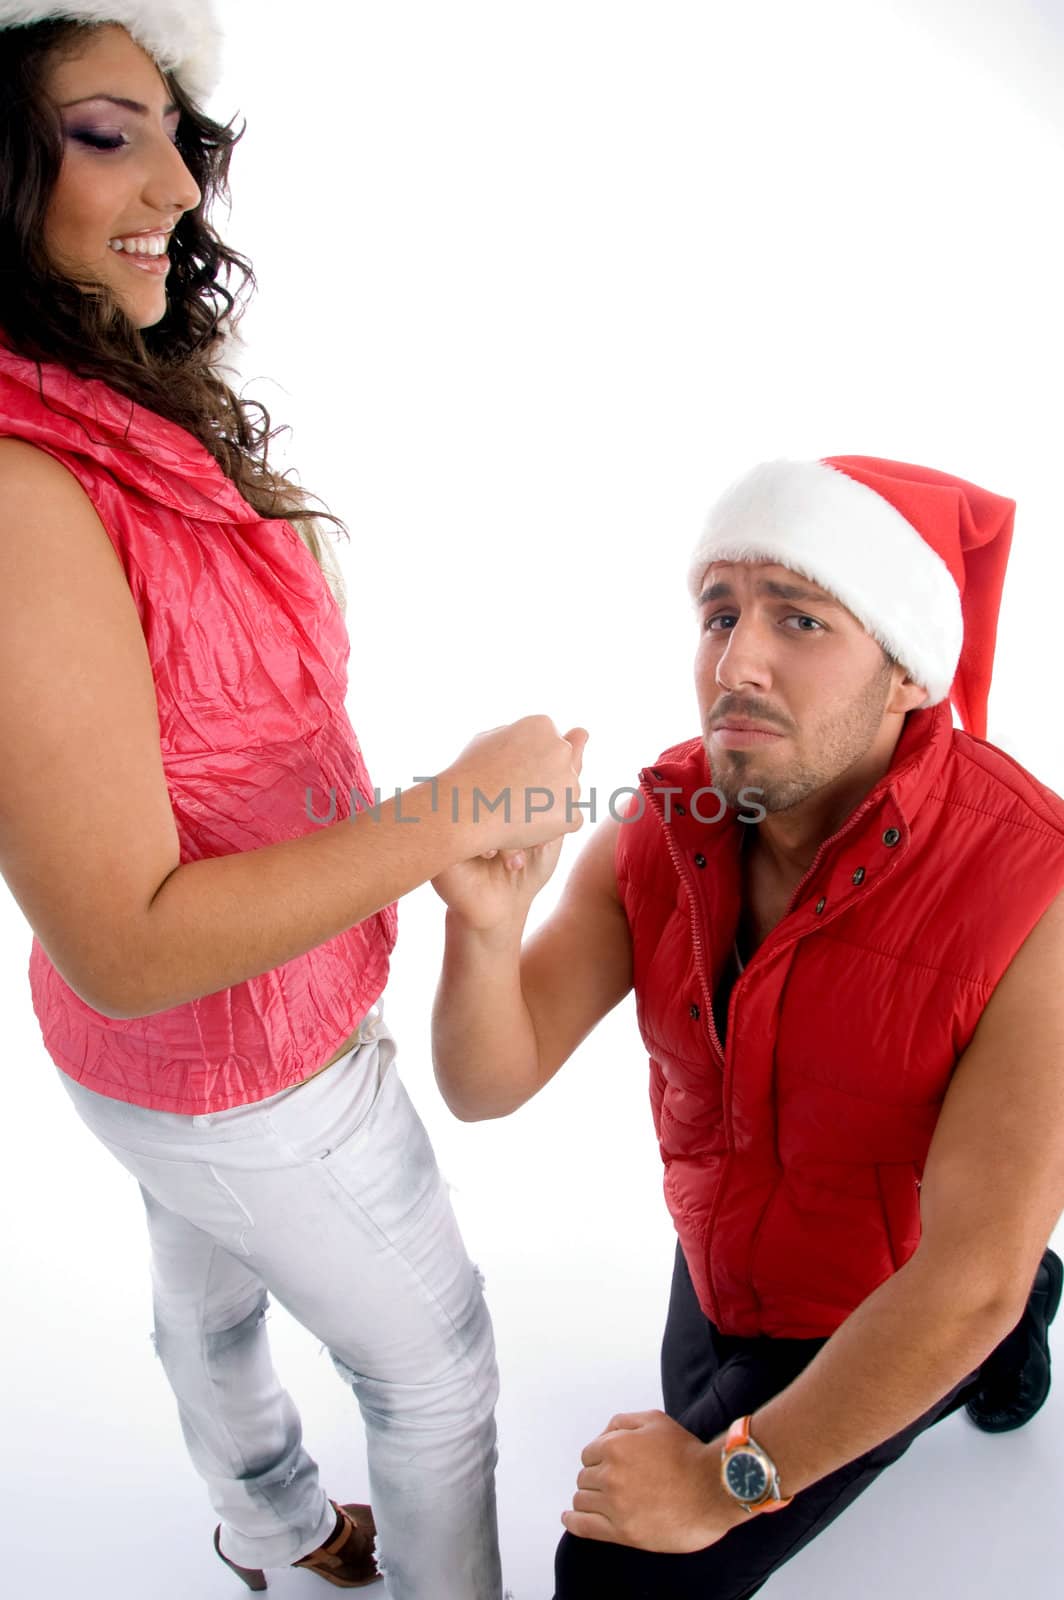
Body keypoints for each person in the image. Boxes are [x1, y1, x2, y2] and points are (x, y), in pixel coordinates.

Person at [0, 4, 588, 1595]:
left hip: (155, 1071)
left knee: (207, 1293)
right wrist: (452, 814)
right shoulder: (17, 486)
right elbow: (129, 938)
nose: (181, 191)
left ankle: (266, 1530)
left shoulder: (92, 398)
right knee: (442, 1373)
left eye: (177, 140)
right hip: (240, 1065)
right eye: (108, 134)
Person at [431, 454, 1064, 1599]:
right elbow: (489, 1081)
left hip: (893, 1288)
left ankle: (1014, 1315)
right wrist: (482, 926)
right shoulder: (660, 826)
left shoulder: (1036, 886)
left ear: (908, 672)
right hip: (732, 1263)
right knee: (689, 1423)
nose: (735, 662)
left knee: (621, 1573)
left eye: (801, 618)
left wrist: (726, 1480)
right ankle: (1019, 1306)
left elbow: (960, 1276)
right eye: (717, 613)